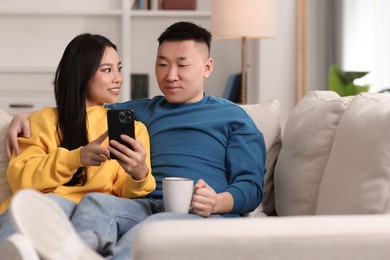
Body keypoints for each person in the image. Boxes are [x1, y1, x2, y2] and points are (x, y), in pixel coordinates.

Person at [4, 22, 266, 259]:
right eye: (162, 64)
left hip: (200, 210)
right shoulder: (139, 112)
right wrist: (21, 117)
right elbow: (85, 105)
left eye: (182, 65)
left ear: (207, 67)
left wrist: (217, 201)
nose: (170, 75)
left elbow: (252, 187)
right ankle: (78, 253)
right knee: (98, 203)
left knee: (145, 234)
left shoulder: (234, 118)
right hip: (145, 205)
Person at [0, 33, 155, 259]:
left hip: (91, 217)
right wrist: (77, 158)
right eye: (107, 70)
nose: (118, 78)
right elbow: (20, 178)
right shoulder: (42, 120)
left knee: (73, 209)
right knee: (40, 208)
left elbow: (123, 193)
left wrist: (140, 174)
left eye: (118, 68)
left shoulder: (134, 129)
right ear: (82, 73)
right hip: (40, 209)